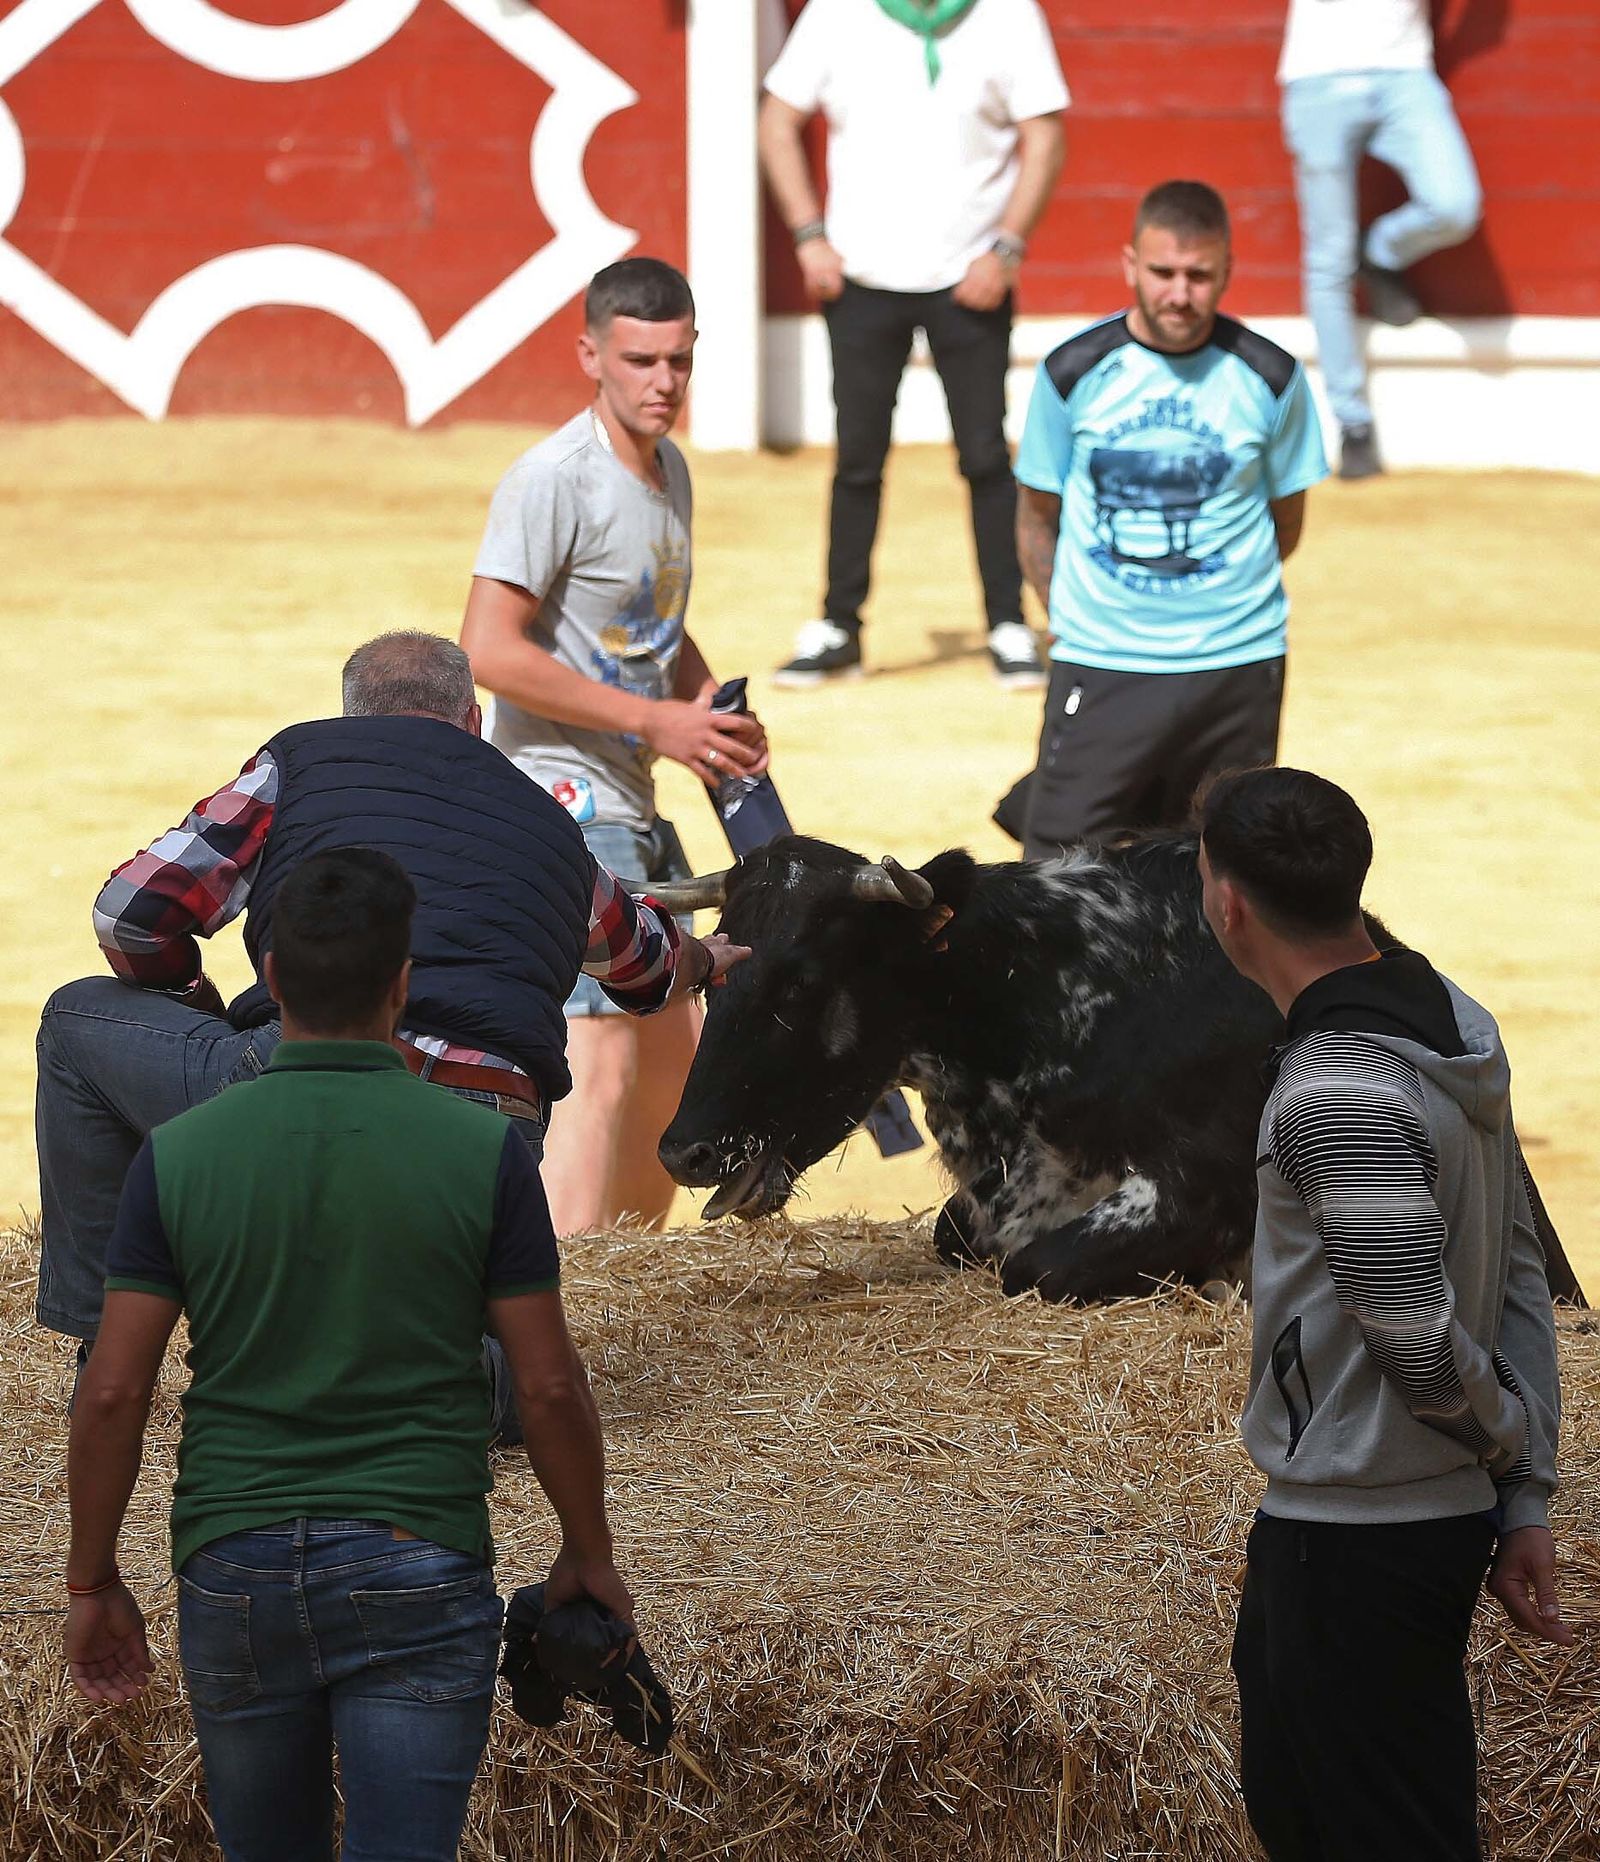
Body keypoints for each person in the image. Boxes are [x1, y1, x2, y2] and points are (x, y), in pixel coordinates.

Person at [63, 847, 636, 1861]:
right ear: (402, 979)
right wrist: (588, 1550)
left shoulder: (182, 1153)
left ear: (273, 978)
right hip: (418, 1548)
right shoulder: (480, 1150)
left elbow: (111, 1391)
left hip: (232, 1555)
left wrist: (92, 1579)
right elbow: (547, 1383)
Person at [36, 631, 743, 1379]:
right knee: (457, 1364)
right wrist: (707, 956)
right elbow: (650, 969)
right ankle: (480, 1382)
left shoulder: (303, 764)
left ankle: (108, 1350)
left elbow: (131, 914)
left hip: (304, 1094)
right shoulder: (554, 827)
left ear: (352, 717)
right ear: (475, 723)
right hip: (487, 1134)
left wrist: (193, 1001)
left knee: (75, 1022)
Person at [1196, 766, 1569, 1862]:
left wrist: (1507, 1447)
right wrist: (1521, 1489)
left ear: (1226, 903)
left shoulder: (1337, 1093)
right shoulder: (1452, 1020)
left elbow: (1415, 1338)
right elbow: (1511, 1273)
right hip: (1413, 1520)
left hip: (1353, 1536)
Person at [461, 257, 767, 1237]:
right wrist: (656, 723)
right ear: (590, 353)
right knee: (596, 1060)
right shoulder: (552, 479)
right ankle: (569, 1292)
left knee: (677, 1048)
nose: (663, 382)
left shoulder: (669, 467)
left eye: (678, 360)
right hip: (560, 803)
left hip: (631, 800)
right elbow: (486, 648)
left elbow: (648, 626)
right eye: (640, 360)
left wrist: (706, 710)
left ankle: (628, 1272)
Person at [1006, 180, 1328, 859]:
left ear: (1227, 273)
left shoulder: (1271, 376)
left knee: (1229, 875)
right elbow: (1038, 515)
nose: (1179, 293)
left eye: (1198, 275)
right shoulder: (1071, 371)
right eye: (1162, 272)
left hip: (1237, 660)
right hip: (1104, 657)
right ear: (1130, 266)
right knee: (1055, 877)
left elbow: (1283, 521)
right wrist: (1074, 617)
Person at [758, 0, 1068, 688]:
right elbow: (776, 120)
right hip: (863, 278)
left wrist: (1007, 247)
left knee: (987, 456)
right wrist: (809, 235)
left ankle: (1008, 623)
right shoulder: (838, 13)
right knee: (858, 459)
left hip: (972, 277)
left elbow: (1045, 135)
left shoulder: (1006, 12)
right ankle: (840, 625)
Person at [1279, 0, 1483, 480]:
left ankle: (1378, 252)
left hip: (1404, 72)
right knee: (1328, 261)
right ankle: (1352, 423)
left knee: (1455, 205)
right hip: (1317, 76)